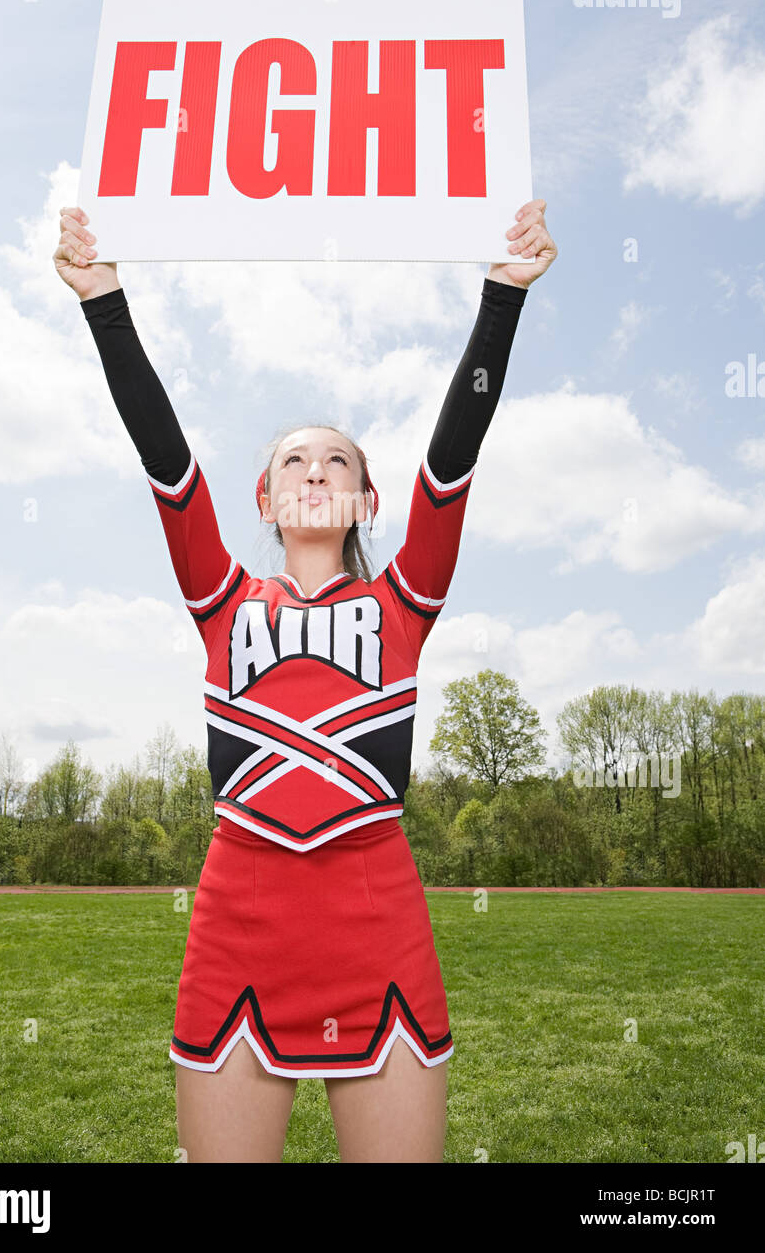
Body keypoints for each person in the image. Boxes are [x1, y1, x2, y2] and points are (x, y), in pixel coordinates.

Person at [54, 198, 557, 1162]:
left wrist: (502, 300)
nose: (315, 469)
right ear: (265, 495)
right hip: (238, 926)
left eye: (339, 460)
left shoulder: (404, 605)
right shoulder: (221, 597)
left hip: (379, 928)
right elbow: (166, 463)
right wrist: (103, 302)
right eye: (294, 458)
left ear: (370, 496)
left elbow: (453, 464)